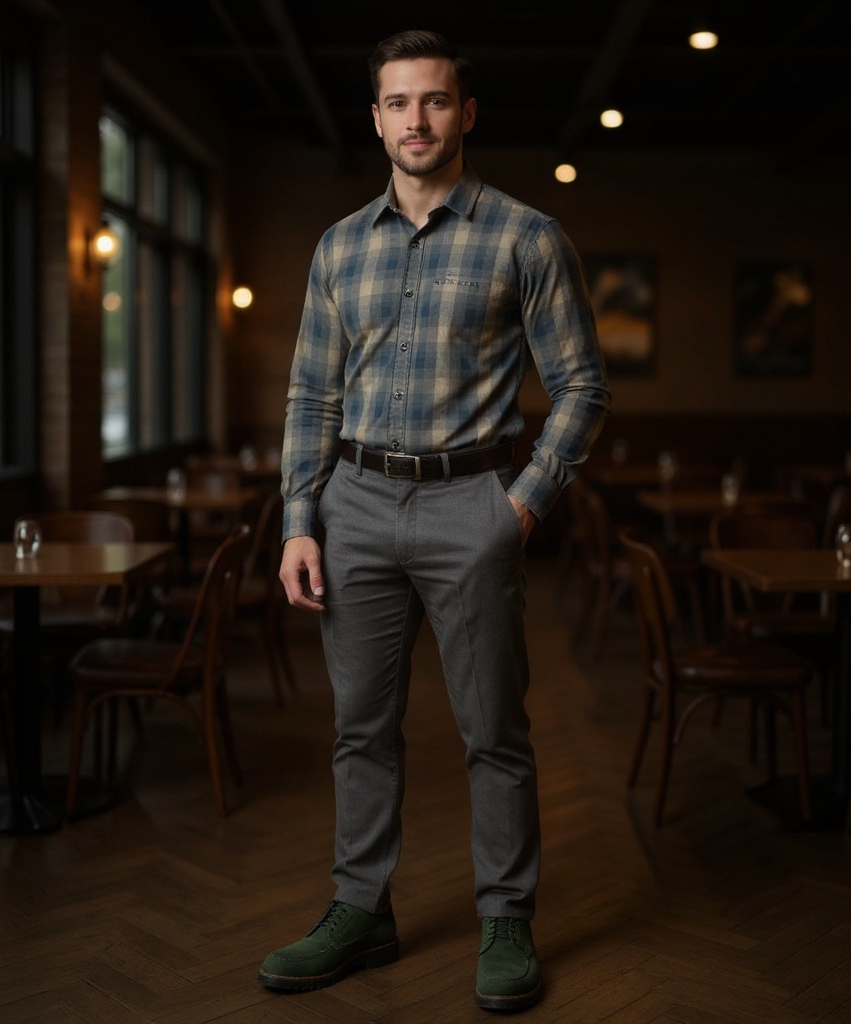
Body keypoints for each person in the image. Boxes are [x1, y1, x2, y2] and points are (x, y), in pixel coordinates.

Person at [258, 28, 610, 1013]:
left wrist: (521, 504)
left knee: (493, 730)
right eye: (398, 102)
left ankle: (507, 919)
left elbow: (582, 387)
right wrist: (298, 521)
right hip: (354, 504)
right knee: (360, 729)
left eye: (436, 100)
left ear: (466, 113)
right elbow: (310, 397)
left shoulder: (527, 237)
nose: (417, 120)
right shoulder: (338, 247)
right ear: (375, 119)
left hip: (473, 503)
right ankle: (360, 910)